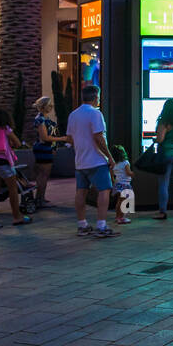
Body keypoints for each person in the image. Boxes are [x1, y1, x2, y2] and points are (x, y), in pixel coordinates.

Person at [67, 84, 117, 238]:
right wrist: (109, 156)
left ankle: (82, 224)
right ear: (96, 97)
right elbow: (98, 136)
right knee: (104, 190)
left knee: (81, 191)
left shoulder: (73, 115)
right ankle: (101, 225)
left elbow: (70, 138)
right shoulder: (96, 114)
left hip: (80, 161)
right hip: (96, 160)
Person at [0, 109, 30, 231]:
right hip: (3, 162)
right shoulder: (5, 128)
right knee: (13, 189)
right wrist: (11, 143)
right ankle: (17, 217)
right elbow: (18, 143)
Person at [31, 96, 69, 210]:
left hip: (45, 149)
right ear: (43, 106)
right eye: (49, 105)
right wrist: (62, 139)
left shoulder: (43, 118)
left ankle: (40, 198)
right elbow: (45, 137)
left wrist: (54, 147)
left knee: (42, 175)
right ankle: (40, 200)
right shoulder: (41, 119)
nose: (51, 106)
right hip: (43, 149)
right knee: (43, 175)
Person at [111, 147, 134, 225]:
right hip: (125, 184)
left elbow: (111, 174)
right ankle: (121, 218)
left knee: (119, 201)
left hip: (118, 184)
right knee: (123, 202)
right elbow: (128, 173)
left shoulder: (114, 164)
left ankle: (117, 217)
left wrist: (114, 181)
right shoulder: (125, 162)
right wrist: (134, 173)